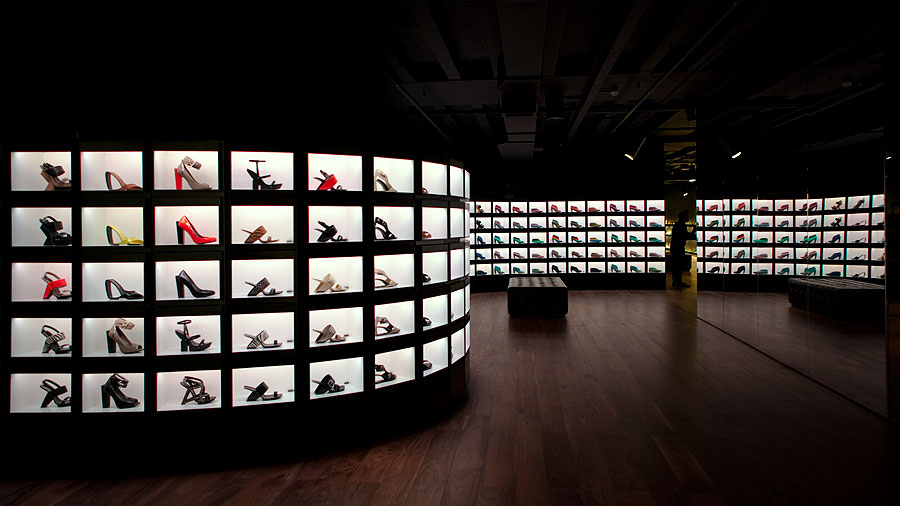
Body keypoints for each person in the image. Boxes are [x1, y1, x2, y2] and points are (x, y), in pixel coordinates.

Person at [670, 210, 696, 288]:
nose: (688, 217)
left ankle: (676, 282)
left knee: (676, 266)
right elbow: (684, 236)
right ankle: (677, 282)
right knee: (678, 266)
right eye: (687, 216)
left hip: (675, 247)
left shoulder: (678, 224)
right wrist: (693, 232)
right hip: (678, 248)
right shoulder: (681, 225)